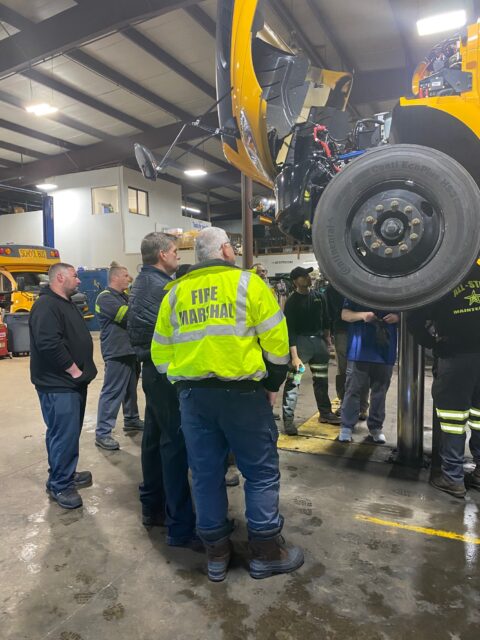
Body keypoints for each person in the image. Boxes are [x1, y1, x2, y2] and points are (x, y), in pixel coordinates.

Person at [152, 227, 303, 582]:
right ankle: (265, 551)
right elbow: (278, 344)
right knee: (260, 471)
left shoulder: (174, 294)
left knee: (205, 475)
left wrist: (185, 381)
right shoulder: (249, 285)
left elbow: (160, 353)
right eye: (232, 246)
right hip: (242, 396)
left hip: (193, 398)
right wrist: (271, 384)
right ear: (224, 250)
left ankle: (216, 554)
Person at [127, 232, 196, 544]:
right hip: (164, 371)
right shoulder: (164, 287)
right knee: (174, 444)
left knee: (153, 442)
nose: (178, 257)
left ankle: (152, 507)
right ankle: (180, 522)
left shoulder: (141, 282)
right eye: (175, 252)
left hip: (151, 371)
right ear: (163, 255)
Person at [408, 260, 480, 498]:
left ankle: (452, 478)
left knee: (452, 420)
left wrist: (433, 344)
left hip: (455, 356)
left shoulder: (443, 277)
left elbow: (415, 319)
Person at [29, 263, 97, 509]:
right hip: (59, 385)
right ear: (60, 277)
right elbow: (48, 344)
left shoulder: (63, 302)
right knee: (63, 435)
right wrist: (74, 370)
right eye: (75, 276)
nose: (79, 281)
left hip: (71, 384)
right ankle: (61, 485)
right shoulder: (46, 306)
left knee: (64, 434)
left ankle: (62, 473)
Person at [282, 266, 339, 435]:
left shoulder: (319, 297)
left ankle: (325, 413)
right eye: (302, 276)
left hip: (318, 343)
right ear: (295, 281)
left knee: (321, 380)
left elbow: (326, 321)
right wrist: (294, 356)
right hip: (300, 344)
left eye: (307, 275)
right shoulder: (292, 302)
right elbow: (290, 330)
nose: (307, 278)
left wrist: (327, 341)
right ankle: (288, 419)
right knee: (294, 381)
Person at [94, 264, 144, 451]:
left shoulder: (124, 296)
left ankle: (131, 419)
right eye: (125, 275)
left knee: (130, 390)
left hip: (130, 351)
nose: (128, 278)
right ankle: (103, 433)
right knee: (112, 392)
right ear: (115, 278)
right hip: (117, 352)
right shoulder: (105, 298)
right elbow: (127, 316)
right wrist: (139, 304)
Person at [338, 300, 399, 443]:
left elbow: (409, 312)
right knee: (353, 389)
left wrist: (398, 317)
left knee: (380, 391)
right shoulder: (357, 290)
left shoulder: (394, 292)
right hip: (360, 350)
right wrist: (363, 315)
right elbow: (345, 314)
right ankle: (347, 426)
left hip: (385, 350)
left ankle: (376, 427)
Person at [325, 284, 369, 419]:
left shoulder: (355, 285)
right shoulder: (332, 288)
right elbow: (328, 312)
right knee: (345, 369)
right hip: (343, 330)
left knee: (359, 368)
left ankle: (361, 406)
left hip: (359, 329)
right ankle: (347, 403)